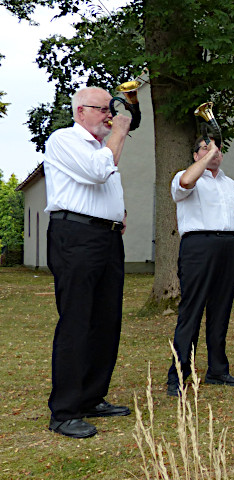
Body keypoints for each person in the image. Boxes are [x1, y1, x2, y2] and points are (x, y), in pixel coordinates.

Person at [44, 86, 133, 438]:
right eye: (103, 109)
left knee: (106, 320)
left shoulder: (102, 148)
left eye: (112, 109)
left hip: (106, 238)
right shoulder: (64, 139)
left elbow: (106, 181)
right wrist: (120, 134)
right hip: (75, 237)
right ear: (81, 111)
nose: (110, 115)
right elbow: (97, 173)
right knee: (77, 320)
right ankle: (64, 411)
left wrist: (118, 213)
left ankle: (93, 396)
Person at [167, 136, 234, 397]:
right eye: (206, 148)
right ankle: (179, 374)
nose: (213, 152)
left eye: (217, 149)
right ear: (196, 155)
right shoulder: (185, 176)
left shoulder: (231, 184)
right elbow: (185, 183)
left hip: (227, 248)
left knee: (221, 311)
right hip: (198, 246)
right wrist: (206, 158)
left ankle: (218, 369)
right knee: (191, 311)